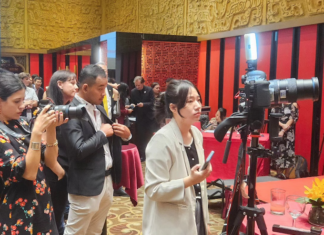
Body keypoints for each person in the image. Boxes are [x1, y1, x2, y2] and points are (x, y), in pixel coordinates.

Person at [60, 65, 131, 235]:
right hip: (85, 183)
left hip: (105, 180)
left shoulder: (98, 107)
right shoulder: (71, 112)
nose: (103, 93)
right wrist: (101, 134)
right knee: (75, 231)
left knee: (95, 231)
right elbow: (78, 150)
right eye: (100, 88)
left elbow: (110, 137)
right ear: (85, 87)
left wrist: (126, 135)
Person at [0, 68, 67, 234]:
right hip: (15, 211)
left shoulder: (21, 123)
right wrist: (37, 133)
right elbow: (28, 173)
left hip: (41, 204)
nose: (22, 106)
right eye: (17, 102)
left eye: (23, 100)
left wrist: (51, 129)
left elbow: (50, 159)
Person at [143, 80, 212, 235]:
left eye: (198, 99)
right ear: (173, 107)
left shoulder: (196, 134)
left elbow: (199, 189)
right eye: (190, 101)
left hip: (196, 214)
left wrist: (205, 221)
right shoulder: (161, 140)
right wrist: (190, 181)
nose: (197, 105)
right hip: (169, 223)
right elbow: (153, 190)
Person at [44, 70, 78, 235]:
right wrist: (61, 172)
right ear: (59, 84)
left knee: (60, 219)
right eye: (72, 82)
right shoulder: (48, 108)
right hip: (54, 173)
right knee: (55, 218)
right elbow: (44, 148)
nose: (76, 87)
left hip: (65, 170)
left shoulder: (68, 108)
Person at [130, 76, 155, 162]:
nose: (137, 87)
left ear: (143, 83)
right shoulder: (133, 92)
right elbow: (132, 103)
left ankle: (150, 154)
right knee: (140, 138)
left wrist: (144, 104)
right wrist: (131, 106)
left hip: (149, 118)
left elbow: (152, 103)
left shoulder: (149, 90)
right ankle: (142, 155)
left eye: (139, 85)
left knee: (148, 137)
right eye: (136, 85)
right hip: (139, 118)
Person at [271, 103, 299, 170]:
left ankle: (287, 175)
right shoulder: (276, 104)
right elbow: (273, 117)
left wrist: (283, 130)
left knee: (288, 151)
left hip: (289, 132)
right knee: (277, 151)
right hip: (277, 130)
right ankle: (277, 173)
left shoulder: (293, 104)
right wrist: (282, 126)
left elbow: (293, 118)